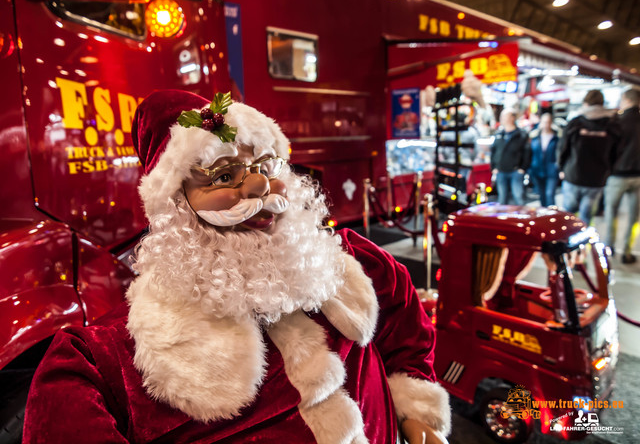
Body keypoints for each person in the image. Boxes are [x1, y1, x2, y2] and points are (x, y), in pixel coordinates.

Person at [24, 90, 450, 444]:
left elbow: (407, 338)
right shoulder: (98, 362)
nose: (260, 186)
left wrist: (415, 414)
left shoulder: (355, 262)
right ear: (177, 207)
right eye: (224, 176)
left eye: (265, 166)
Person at [557, 89, 619, 225]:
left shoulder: (575, 123)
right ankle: (582, 244)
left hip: (573, 175)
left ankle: (567, 244)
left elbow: (563, 148)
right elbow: (616, 152)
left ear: (585, 103)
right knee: (586, 217)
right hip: (597, 179)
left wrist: (561, 167)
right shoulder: (612, 125)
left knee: (568, 215)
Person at [604, 88, 640, 264]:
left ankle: (608, 248)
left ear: (625, 99)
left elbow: (608, 149)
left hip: (617, 175)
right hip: (638, 177)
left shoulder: (617, 121)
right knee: (634, 216)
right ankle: (626, 252)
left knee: (611, 213)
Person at [490, 108, 531, 205]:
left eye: (505, 116)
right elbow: (493, 151)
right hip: (501, 171)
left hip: (516, 171)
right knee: (502, 198)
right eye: (502, 116)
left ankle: (522, 218)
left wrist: (523, 168)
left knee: (518, 197)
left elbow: (527, 152)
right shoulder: (499, 134)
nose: (503, 119)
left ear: (512, 118)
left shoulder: (521, 134)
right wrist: (493, 167)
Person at [528, 113, 560, 207]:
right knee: (542, 196)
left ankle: (553, 216)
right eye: (544, 122)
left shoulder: (556, 137)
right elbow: (529, 153)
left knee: (550, 194)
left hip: (552, 170)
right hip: (537, 170)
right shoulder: (534, 137)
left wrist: (559, 168)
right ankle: (545, 217)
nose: (546, 125)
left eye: (548, 122)